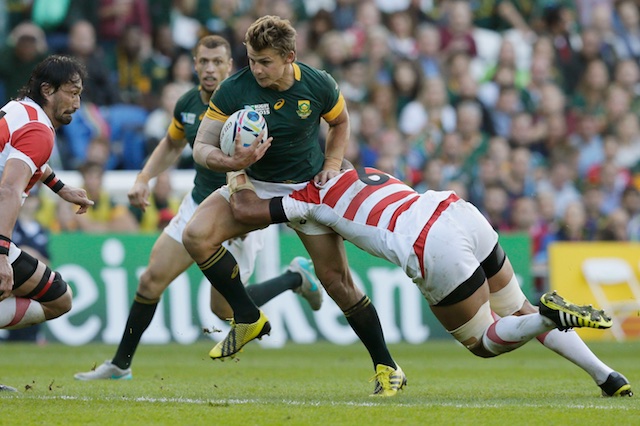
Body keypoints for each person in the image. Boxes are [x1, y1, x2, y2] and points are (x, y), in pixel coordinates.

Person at [228, 166, 633, 398]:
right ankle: (608, 377)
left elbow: (247, 211)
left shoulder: (306, 199)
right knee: (516, 308)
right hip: (456, 210)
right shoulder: (358, 170)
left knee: (482, 341)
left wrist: (238, 174)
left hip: (430, 243)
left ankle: (549, 317)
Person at [74, 35, 322, 381]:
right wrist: (144, 178)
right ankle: (120, 365)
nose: (209, 69)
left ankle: (295, 277)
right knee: (150, 280)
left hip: (236, 213)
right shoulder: (188, 103)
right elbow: (172, 143)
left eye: (217, 62)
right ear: (194, 64)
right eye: (203, 62)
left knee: (222, 309)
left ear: (229, 65)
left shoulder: (249, 102)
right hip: (196, 204)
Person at [182, 15, 403, 398]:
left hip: (305, 188)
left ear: (290, 56)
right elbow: (202, 146)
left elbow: (341, 123)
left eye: (264, 61)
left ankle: (387, 366)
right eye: (251, 59)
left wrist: (332, 166)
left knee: (338, 283)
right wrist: (231, 163)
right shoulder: (235, 89)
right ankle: (248, 317)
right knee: (195, 235)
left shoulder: (318, 84)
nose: (256, 69)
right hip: (252, 181)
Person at [0, 55, 94, 391]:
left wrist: (61, 188)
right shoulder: (41, 131)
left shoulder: (18, 109)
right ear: (47, 90)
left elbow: (26, 161)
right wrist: (2, 252)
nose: (77, 103)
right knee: (59, 300)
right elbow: (9, 188)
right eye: (71, 93)